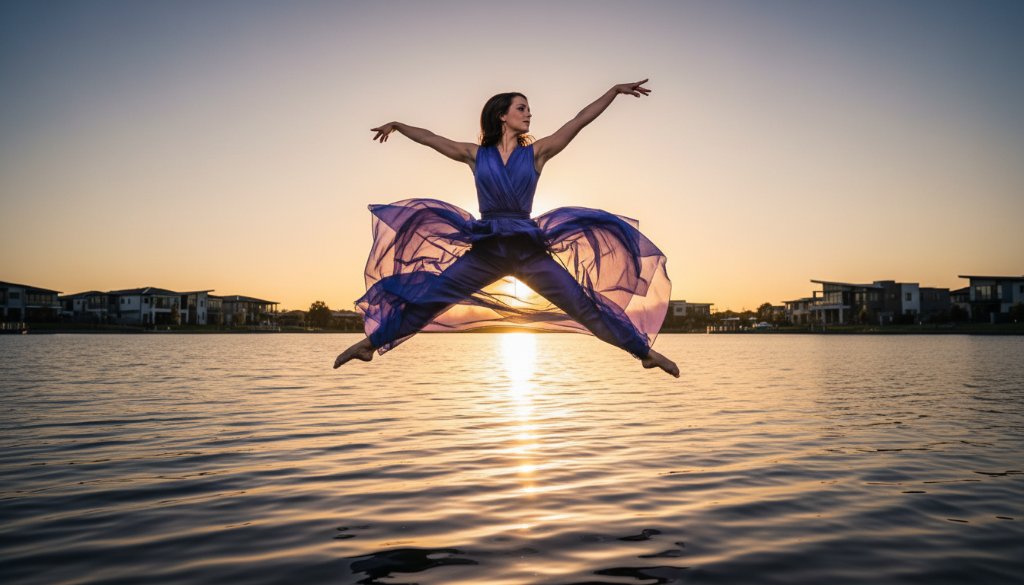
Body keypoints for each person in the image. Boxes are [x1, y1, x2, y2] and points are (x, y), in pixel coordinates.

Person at [335, 79, 679, 377]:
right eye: (522, 108)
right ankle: (370, 345)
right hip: (486, 250)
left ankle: (643, 354)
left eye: (529, 109)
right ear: (502, 115)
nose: (529, 114)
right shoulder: (474, 155)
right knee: (429, 300)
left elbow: (579, 121)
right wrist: (397, 124)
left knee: (583, 307)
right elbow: (430, 137)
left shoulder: (538, 153)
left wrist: (613, 92)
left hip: (529, 251)